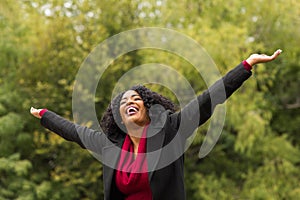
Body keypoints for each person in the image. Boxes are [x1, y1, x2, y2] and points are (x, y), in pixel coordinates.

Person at [30, 49, 282, 200]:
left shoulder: (171, 130)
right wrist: (44, 115)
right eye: (123, 101)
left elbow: (208, 100)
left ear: (148, 106)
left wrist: (246, 66)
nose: (129, 102)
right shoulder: (110, 145)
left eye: (136, 98)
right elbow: (75, 132)